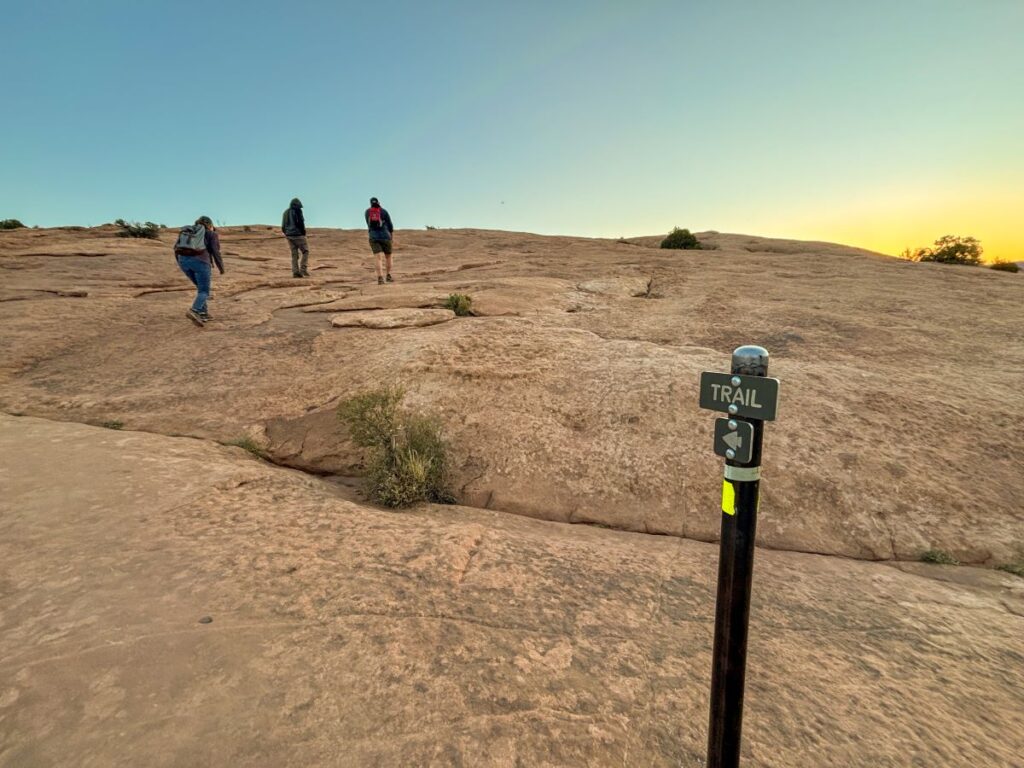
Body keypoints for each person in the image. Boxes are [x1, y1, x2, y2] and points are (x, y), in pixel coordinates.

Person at [174, 215, 224, 327]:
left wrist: (180, 263)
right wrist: (221, 267)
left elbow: (176, 248)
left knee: (201, 288)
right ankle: (195, 310)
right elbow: (216, 251)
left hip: (184, 262)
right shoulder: (211, 234)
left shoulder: (186, 232)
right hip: (201, 262)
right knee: (204, 291)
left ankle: (203, 313)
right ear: (210, 225)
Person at [365, 196, 394, 285]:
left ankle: (380, 278)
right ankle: (388, 276)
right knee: (388, 256)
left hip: (374, 236)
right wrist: (391, 236)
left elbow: (368, 224)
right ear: (379, 202)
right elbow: (390, 225)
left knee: (378, 258)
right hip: (385, 236)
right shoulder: (384, 211)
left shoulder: (367, 212)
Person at [282, 197, 309, 277]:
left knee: (294, 255)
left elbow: (283, 226)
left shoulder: (285, 212)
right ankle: (303, 270)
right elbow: (300, 223)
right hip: (298, 235)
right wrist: (303, 233)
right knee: (305, 251)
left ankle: (295, 272)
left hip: (289, 235)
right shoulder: (298, 211)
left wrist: (286, 233)